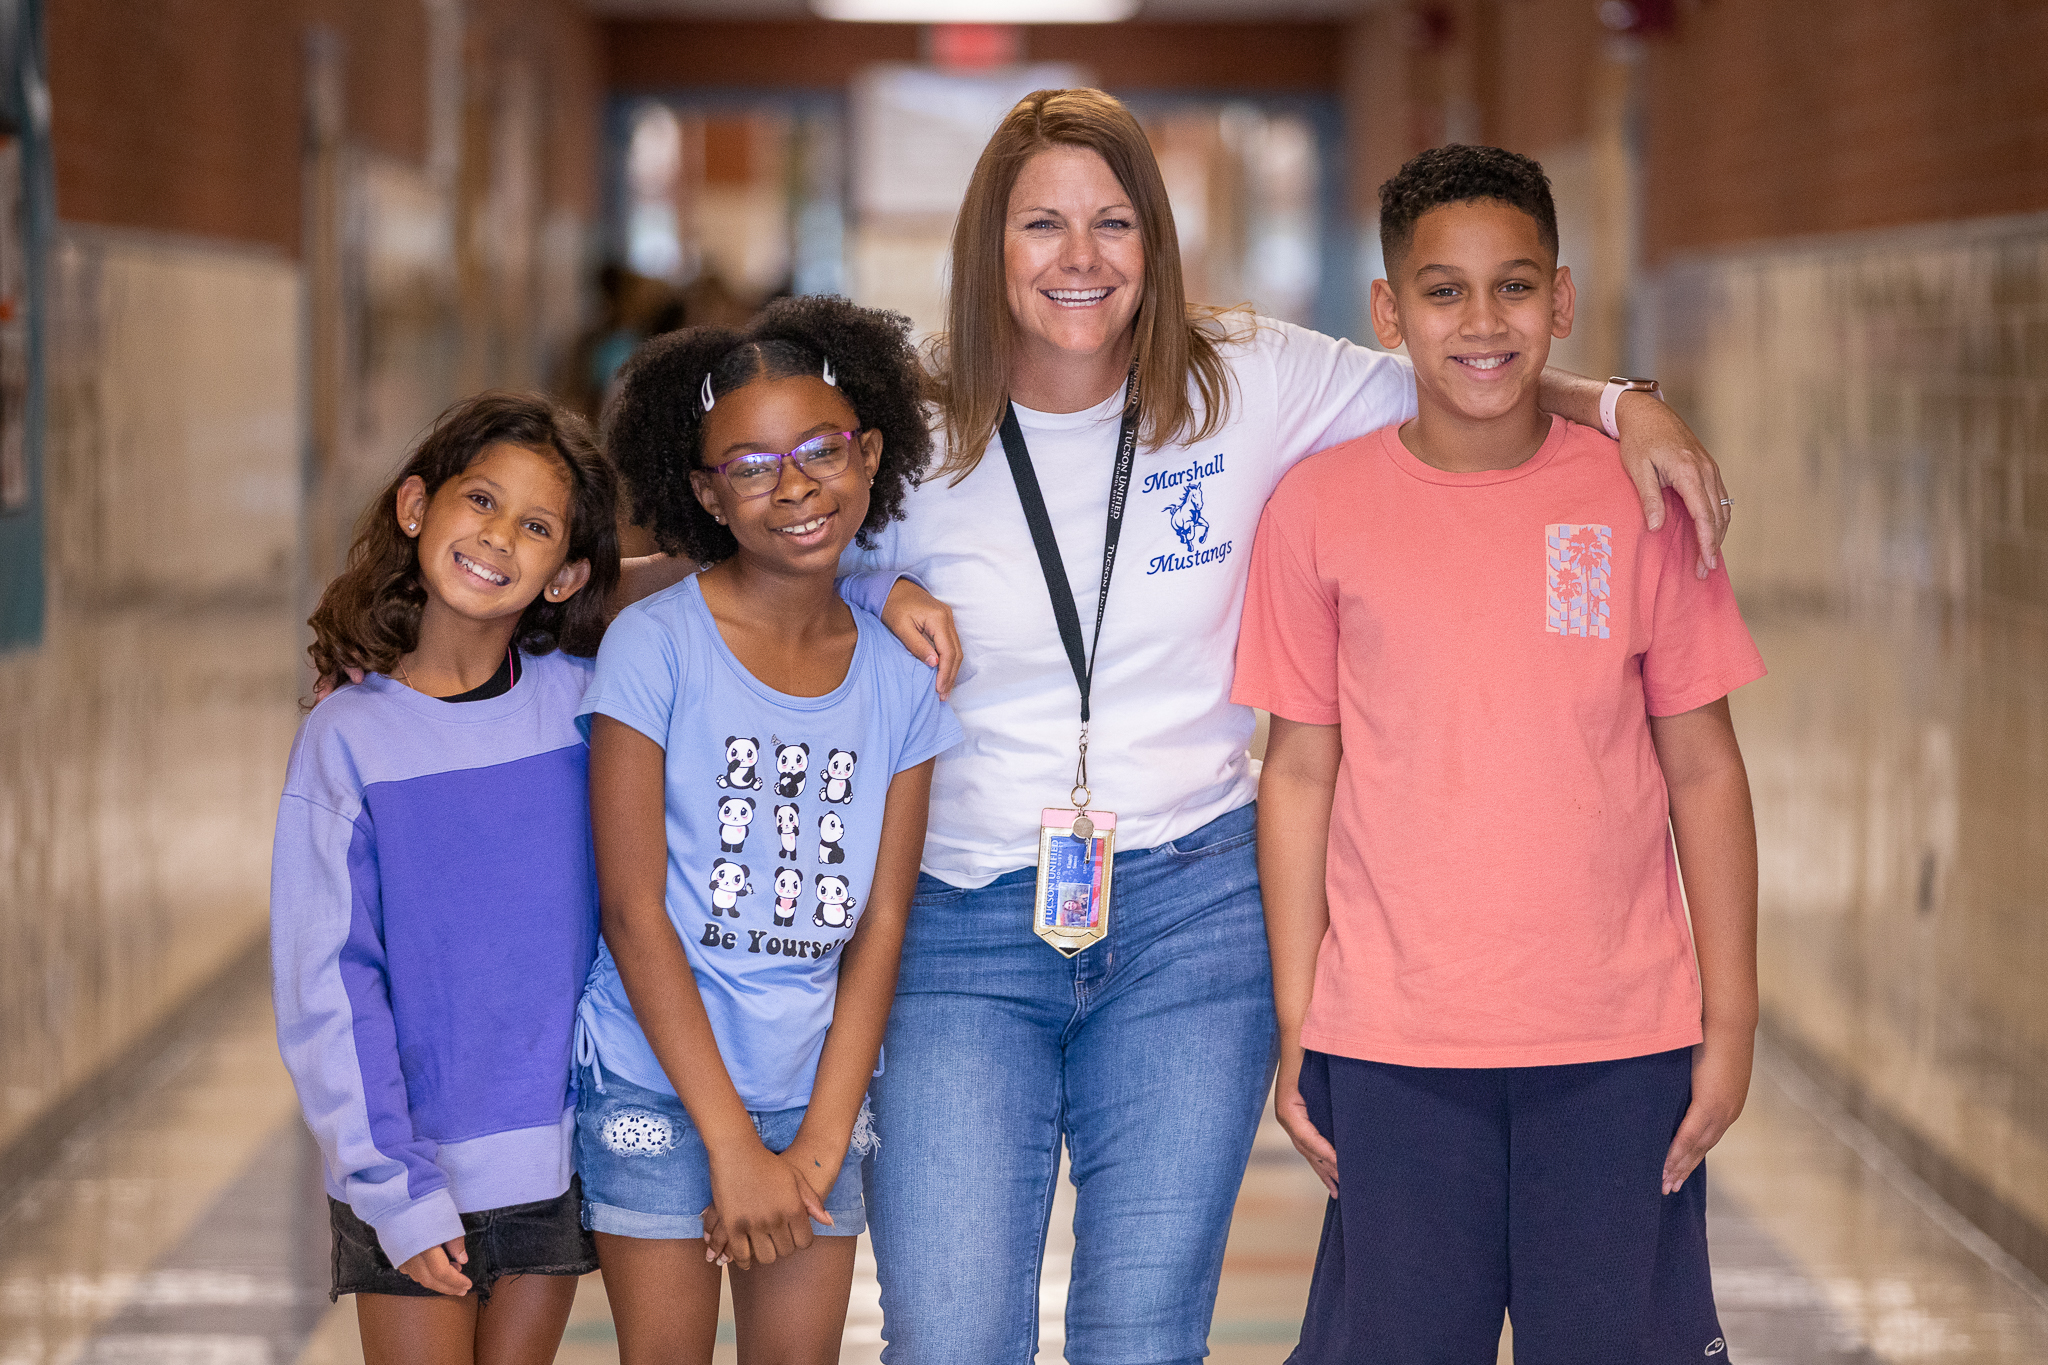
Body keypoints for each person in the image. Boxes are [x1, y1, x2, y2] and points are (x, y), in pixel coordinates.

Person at [839, 89, 1739, 1365]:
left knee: (1143, 1339)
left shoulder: (1249, 379)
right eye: (1041, 224)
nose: (1080, 258)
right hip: (958, 915)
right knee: (946, 1340)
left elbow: (1467, 364)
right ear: (987, 243)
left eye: (1112, 222)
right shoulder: (915, 432)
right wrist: (884, 586)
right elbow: (774, 556)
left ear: (1155, 238)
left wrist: (1623, 405)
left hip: (1186, 926)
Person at [1235, 144, 1764, 1363]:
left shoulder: (1638, 494)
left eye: (1514, 287)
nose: (1481, 322)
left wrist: (1725, 1025)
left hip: (1617, 1041)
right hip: (1393, 1042)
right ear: (1386, 313)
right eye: (1441, 290)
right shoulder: (1315, 512)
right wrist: (1298, 1015)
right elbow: (1299, 773)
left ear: (1562, 300)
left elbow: (1703, 771)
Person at [575, 295, 961, 1364]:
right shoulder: (653, 649)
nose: (792, 486)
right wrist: (732, 1150)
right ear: (704, 492)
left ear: (870, 451)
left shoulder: (902, 679)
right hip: (656, 1083)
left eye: (819, 450)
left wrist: (820, 1143)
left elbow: (882, 923)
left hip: (811, 1098)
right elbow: (630, 909)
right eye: (748, 466)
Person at [270, 393, 622, 1365]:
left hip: (550, 1167)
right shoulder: (345, 739)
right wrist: (392, 1186)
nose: (498, 536)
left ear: (566, 575)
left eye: (536, 526)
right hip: (409, 1169)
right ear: (414, 505)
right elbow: (327, 983)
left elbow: (737, 594)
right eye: (480, 500)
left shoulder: (587, 710)